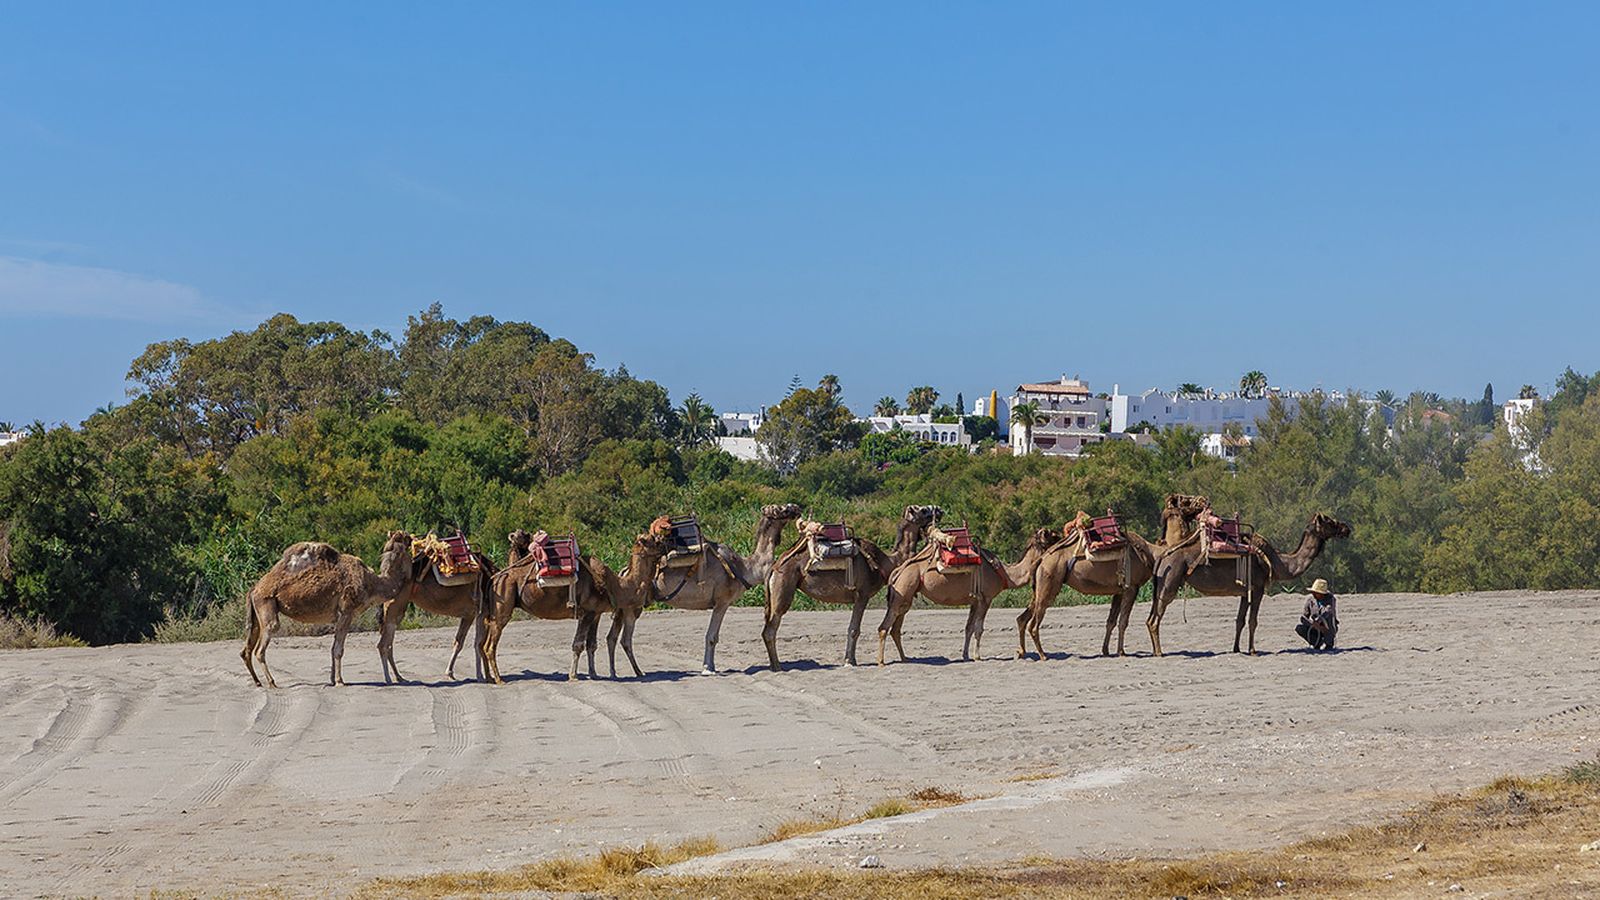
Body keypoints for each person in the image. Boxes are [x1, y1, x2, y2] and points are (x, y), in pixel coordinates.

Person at [1296, 578, 1338, 649]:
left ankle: (1329, 642)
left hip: (1327, 627)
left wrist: (1319, 622)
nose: (1314, 594)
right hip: (1314, 626)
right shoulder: (1310, 600)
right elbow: (1304, 616)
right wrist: (1312, 624)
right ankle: (1316, 642)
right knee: (1300, 628)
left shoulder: (1330, 599)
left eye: (1316, 592)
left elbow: (1328, 611)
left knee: (1329, 619)